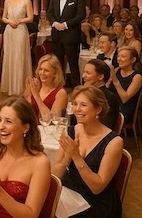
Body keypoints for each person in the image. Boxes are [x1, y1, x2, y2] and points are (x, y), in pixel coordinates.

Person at [0, 96, 50, 218]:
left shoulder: (40, 162)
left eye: (8, 121)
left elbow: (31, 215)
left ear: (25, 128)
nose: (1, 126)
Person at [52, 86, 123, 218]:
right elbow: (56, 175)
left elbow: (97, 188)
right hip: (69, 191)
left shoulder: (114, 142)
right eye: (75, 104)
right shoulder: (71, 131)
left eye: (83, 105)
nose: (77, 109)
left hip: (95, 202)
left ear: (98, 109)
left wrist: (76, 156)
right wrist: (68, 157)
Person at [46, 0, 86, 87]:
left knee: (73, 64)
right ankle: (56, 87)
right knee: (56, 64)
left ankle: (76, 88)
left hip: (71, 35)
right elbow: (49, 13)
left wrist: (65, 25)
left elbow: (81, 14)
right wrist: (54, 23)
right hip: (57, 36)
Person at [1, 0, 34, 95]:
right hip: (9, 31)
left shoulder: (26, 1)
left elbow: (30, 18)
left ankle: (20, 87)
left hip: (20, 30)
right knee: (9, 56)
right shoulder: (7, 1)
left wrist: (19, 21)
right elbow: (3, 17)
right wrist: (9, 21)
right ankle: (10, 86)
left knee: (19, 56)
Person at [24, 54, 68, 119]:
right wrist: (27, 95)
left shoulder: (61, 93)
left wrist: (36, 96)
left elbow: (53, 120)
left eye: (46, 70)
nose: (42, 73)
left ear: (55, 73)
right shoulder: (36, 87)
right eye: (40, 69)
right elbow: (24, 112)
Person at [81, 59, 120, 130]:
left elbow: (106, 125)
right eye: (84, 72)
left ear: (101, 77)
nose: (83, 76)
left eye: (88, 73)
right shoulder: (83, 93)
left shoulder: (109, 98)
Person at [111, 46, 142, 124]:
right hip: (113, 105)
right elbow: (107, 89)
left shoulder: (137, 77)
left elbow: (125, 98)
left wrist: (115, 81)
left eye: (123, 56)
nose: (119, 59)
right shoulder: (116, 71)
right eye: (118, 56)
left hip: (125, 109)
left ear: (133, 60)